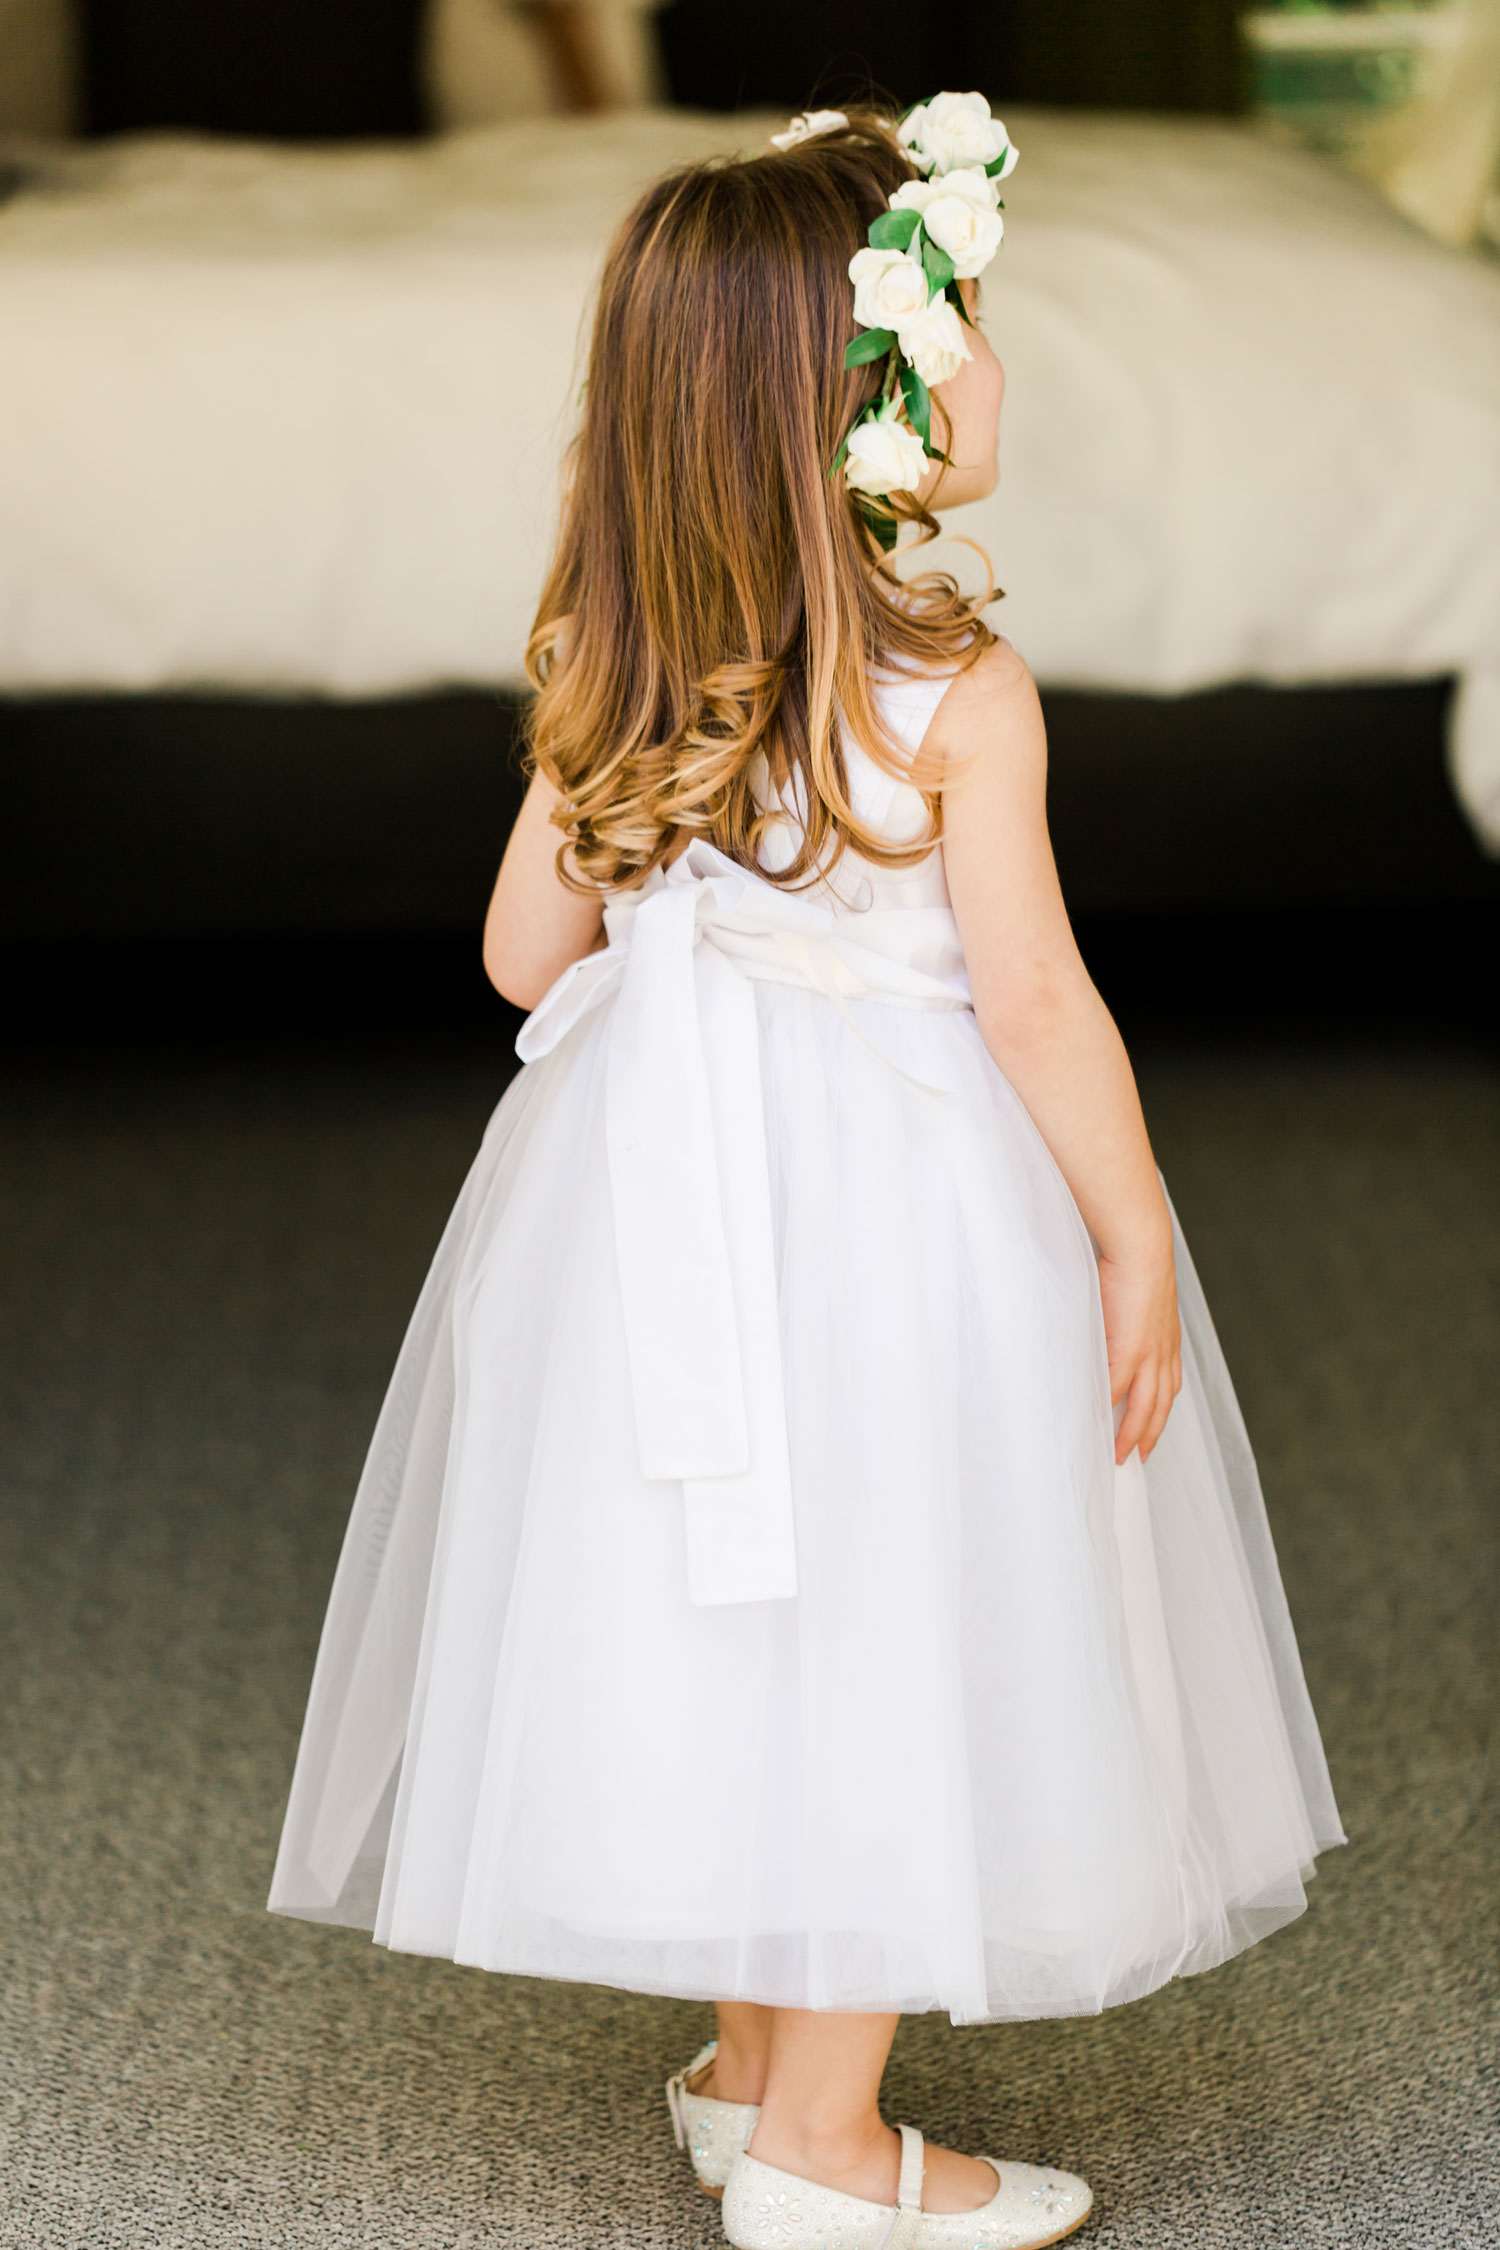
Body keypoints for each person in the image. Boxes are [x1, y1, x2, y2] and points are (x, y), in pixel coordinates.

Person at [268, 97, 1344, 2248]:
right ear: (854, 413)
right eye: (963, 340)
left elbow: (515, 959)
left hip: (656, 1201)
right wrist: (1134, 1231)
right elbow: (1036, 1007)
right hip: (896, 1223)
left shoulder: (619, 653)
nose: (997, 377)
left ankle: (757, 2064)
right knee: (885, 1613)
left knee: (749, 1610)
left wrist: (628, 810)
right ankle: (826, 2157)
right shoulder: (960, 689)